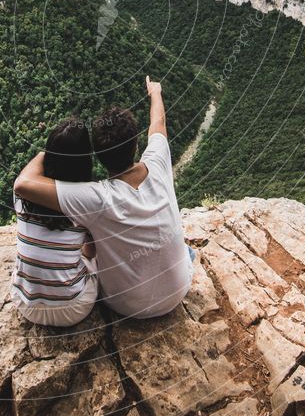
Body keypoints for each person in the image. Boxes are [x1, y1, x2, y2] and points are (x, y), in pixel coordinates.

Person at [14, 77, 193, 320]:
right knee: (186, 251)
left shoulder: (95, 198)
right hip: (178, 293)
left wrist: (51, 150)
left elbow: (23, 185)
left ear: (97, 156)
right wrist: (155, 93)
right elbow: (158, 124)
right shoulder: (159, 162)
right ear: (136, 144)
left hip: (127, 306)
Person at [11, 118, 98, 327]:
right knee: (97, 261)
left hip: (26, 305)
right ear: (85, 160)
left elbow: (24, 179)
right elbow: (90, 252)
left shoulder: (22, 199)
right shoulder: (86, 203)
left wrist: (50, 152)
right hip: (73, 310)